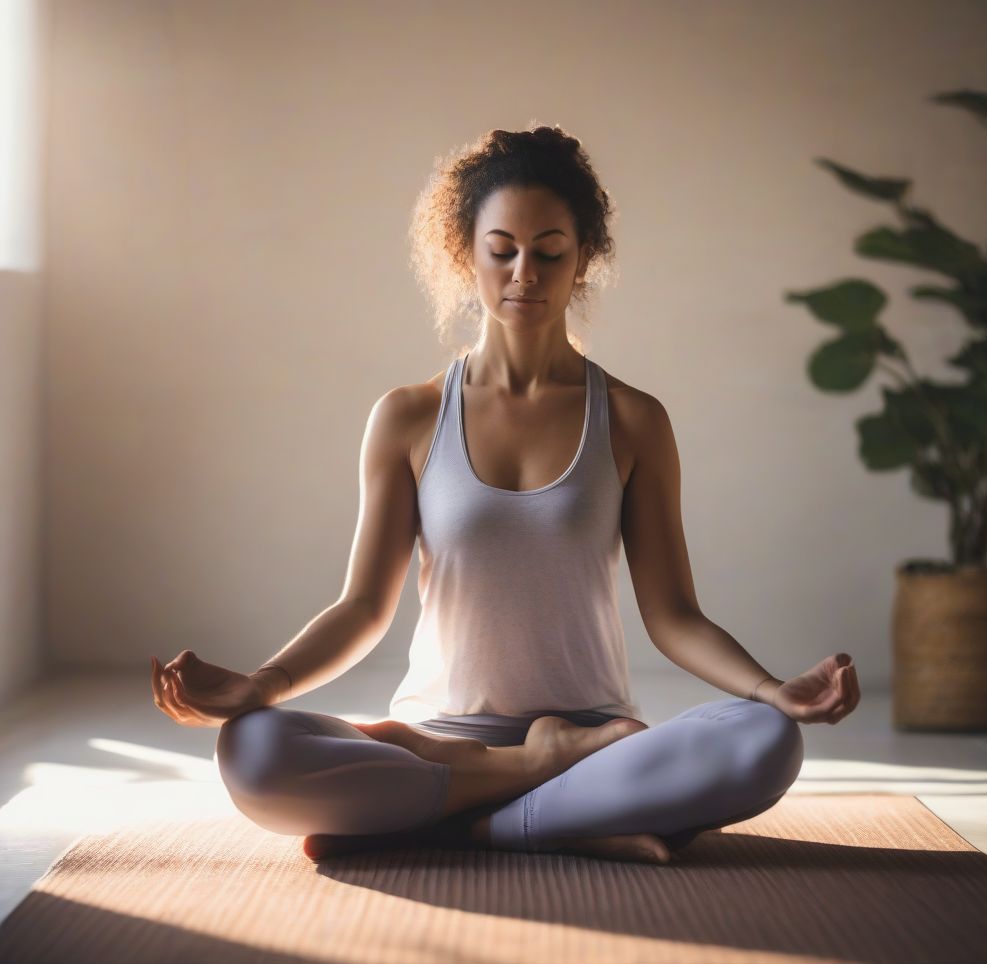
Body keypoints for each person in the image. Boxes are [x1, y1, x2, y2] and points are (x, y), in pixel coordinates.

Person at [150, 124, 861, 866]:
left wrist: (773, 690)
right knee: (255, 751)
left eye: (551, 250)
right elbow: (362, 608)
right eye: (503, 250)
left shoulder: (632, 421)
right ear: (466, 254)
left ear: (584, 258)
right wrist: (261, 687)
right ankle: (545, 798)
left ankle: (465, 824)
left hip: (595, 734)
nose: (526, 271)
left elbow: (674, 616)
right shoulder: (409, 417)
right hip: (441, 741)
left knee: (766, 742)